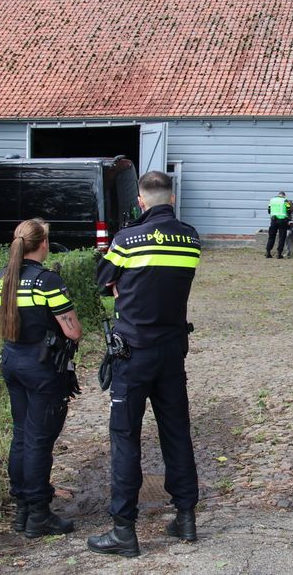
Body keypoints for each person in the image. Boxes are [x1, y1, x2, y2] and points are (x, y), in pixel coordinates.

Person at [89, 171, 201, 558]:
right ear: (171, 199)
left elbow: (104, 281)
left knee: (125, 437)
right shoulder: (191, 237)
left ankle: (124, 529)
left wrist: (121, 284)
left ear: (140, 201)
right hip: (172, 350)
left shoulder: (125, 240)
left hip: (133, 351)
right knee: (176, 432)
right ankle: (185, 517)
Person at [0, 218, 83, 538]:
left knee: (21, 435)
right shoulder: (48, 282)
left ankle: (22, 511)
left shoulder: (2, 280)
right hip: (42, 368)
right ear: (43, 244)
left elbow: (2, 323)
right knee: (38, 441)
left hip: (12, 362)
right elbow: (72, 330)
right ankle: (39, 514)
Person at [265, 191, 289, 259]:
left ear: (278, 195)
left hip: (273, 220)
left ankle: (268, 252)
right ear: (284, 195)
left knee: (271, 236)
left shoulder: (271, 200)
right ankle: (279, 253)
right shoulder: (285, 200)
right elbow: (289, 210)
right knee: (282, 237)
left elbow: (269, 211)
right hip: (282, 221)